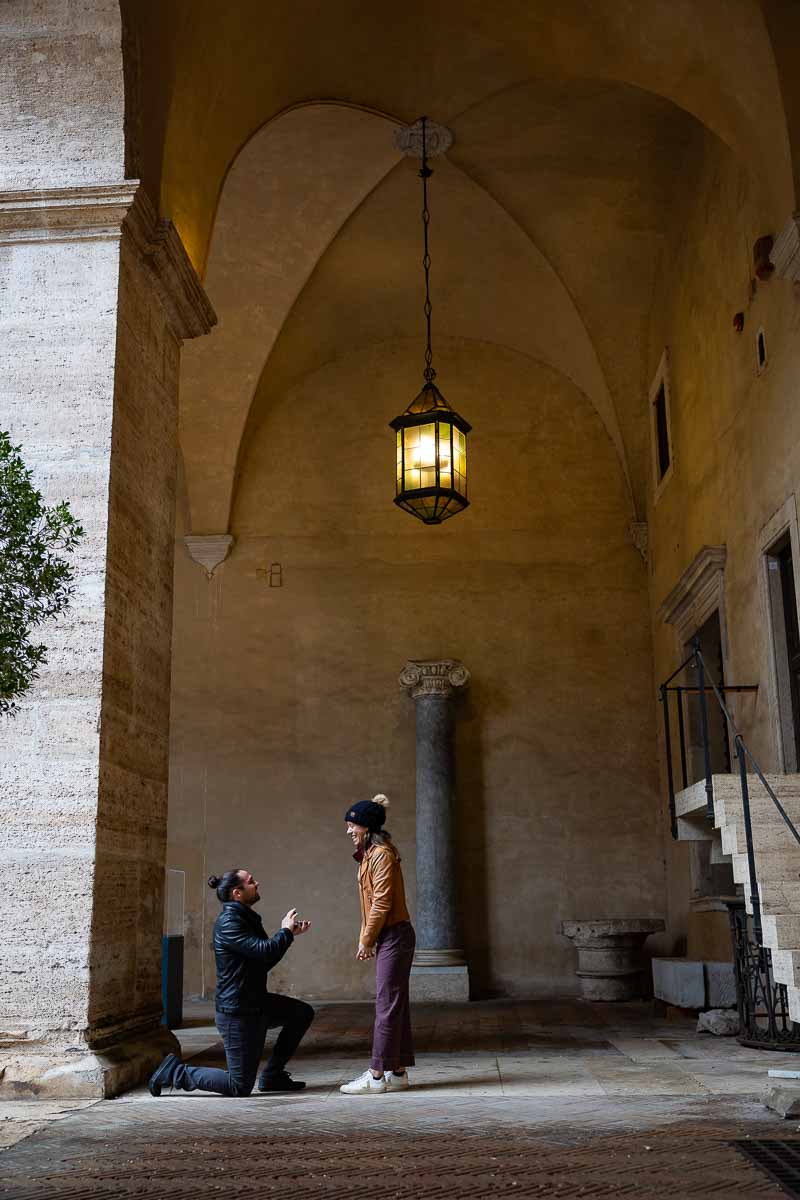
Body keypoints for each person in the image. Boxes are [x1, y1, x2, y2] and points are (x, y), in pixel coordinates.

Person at [148, 867, 313, 1097]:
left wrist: (288, 935)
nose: (257, 883)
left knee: (302, 1013)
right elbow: (264, 952)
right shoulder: (229, 923)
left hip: (255, 1004)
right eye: (251, 881)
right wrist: (284, 931)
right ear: (237, 892)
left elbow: (262, 961)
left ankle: (273, 1075)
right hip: (237, 1013)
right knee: (239, 1086)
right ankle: (175, 1072)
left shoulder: (244, 918)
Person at [340, 794, 416, 1094]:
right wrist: (370, 938)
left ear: (366, 827)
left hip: (393, 934)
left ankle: (375, 1076)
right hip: (390, 934)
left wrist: (366, 939)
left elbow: (381, 902)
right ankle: (397, 1072)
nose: (348, 832)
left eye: (351, 826)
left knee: (386, 1005)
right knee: (394, 1005)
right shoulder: (371, 853)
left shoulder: (381, 854)